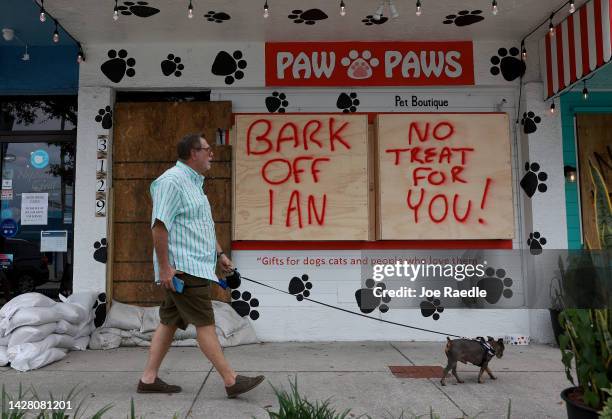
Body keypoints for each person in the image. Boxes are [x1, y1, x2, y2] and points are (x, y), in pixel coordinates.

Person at [138, 133, 264, 398]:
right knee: (205, 323)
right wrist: (165, 269)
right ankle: (231, 381)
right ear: (193, 153)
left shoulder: (195, 184)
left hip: (197, 265)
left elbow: (201, 227)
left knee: (169, 322)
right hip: (185, 269)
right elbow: (159, 226)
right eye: (208, 150)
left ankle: (148, 379)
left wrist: (219, 254)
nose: (212, 154)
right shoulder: (171, 182)